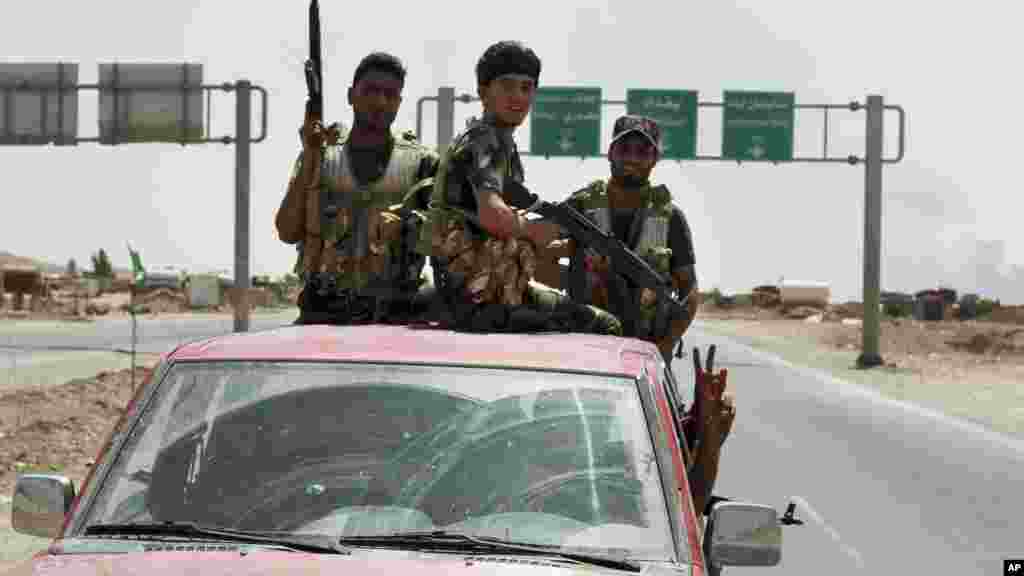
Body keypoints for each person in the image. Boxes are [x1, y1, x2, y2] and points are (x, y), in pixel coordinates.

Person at [417, 40, 620, 335]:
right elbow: (493, 216)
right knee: (603, 325)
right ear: (483, 92)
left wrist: (567, 241)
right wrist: (542, 229)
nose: (518, 97)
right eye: (507, 86)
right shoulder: (484, 140)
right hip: (476, 299)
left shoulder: (501, 145)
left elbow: (507, 235)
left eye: (527, 88)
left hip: (495, 286)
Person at [275, 52, 439, 325]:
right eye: (370, 91)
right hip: (322, 313)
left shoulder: (422, 163)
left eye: (390, 94)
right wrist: (311, 158)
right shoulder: (320, 156)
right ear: (351, 95)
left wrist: (407, 224)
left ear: (399, 102)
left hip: (398, 315)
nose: (380, 102)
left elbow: (444, 241)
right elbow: (287, 231)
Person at [544, 115, 699, 358]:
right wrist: (570, 271)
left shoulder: (671, 218)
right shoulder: (581, 206)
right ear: (610, 153)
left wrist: (666, 345)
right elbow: (536, 247)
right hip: (586, 346)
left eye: (642, 151)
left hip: (644, 350)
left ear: (655, 158)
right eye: (624, 149)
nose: (631, 158)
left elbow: (689, 291)